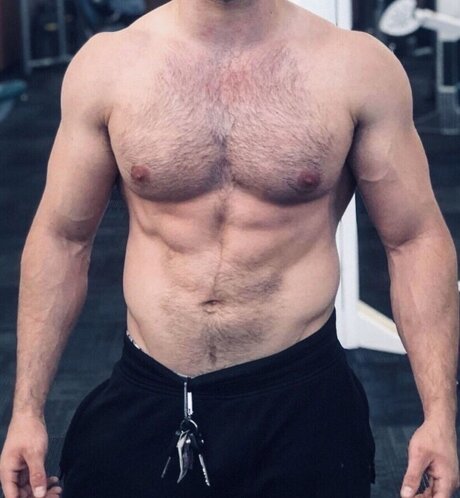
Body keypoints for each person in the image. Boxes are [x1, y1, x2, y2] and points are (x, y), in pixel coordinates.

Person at [0, 0, 459, 497]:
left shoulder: (355, 67)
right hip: (150, 389)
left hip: (301, 400)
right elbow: (62, 239)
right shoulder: (109, 65)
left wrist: (439, 417)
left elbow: (414, 240)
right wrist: (27, 410)